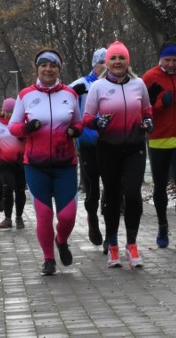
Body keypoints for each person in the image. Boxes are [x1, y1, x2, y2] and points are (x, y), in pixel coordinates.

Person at [9, 49, 83, 276]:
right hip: (36, 165)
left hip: (65, 164)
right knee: (44, 215)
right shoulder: (26, 95)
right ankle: (48, 259)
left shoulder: (70, 94)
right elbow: (13, 126)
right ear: (37, 68)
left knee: (67, 216)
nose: (48, 69)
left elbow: (79, 123)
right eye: (43, 65)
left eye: (53, 66)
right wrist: (27, 129)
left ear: (59, 69)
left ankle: (61, 240)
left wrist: (73, 131)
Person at [83, 40, 153, 269]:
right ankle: (112, 243)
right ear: (107, 63)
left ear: (127, 61)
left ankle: (131, 244)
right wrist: (97, 122)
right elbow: (86, 119)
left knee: (133, 195)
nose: (117, 62)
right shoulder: (98, 87)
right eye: (113, 58)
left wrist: (147, 123)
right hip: (108, 147)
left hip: (134, 147)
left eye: (121, 58)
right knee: (112, 196)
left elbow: (146, 111)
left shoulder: (139, 84)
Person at [142, 42, 176, 249]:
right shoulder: (149, 78)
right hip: (158, 139)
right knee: (160, 186)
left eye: (175, 60)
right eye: (167, 60)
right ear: (160, 59)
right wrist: (159, 104)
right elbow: (143, 109)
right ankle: (162, 226)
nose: (172, 64)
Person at [68, 48, 107, 246]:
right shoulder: (82, 83)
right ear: (95, 65)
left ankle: (111, 232)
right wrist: (74, 94)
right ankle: (92, 219)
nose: (105, 67)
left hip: (111, 142)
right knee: (93, 187)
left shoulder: (114, 83)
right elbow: (62, 100)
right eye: (102, 63)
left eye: (108, 63)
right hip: (88, 143)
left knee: (111, 188)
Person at [0, 98, 27, 229]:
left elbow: (28, 136)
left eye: (12, 111)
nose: (9, 114)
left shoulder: (20, 122)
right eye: (7, 111)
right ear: (2, 110)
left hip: (20, 161)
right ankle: (8, 218)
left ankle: (19, 218)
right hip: (4, 162)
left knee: (20, 190)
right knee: (8, 187)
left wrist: (22, 136)